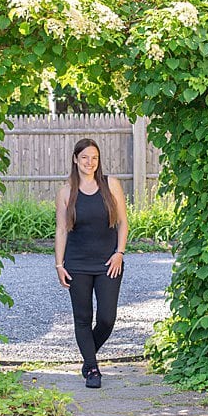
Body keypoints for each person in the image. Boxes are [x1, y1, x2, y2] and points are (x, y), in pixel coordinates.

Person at [54, 138, 128, 389]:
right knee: (83, 318)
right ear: (75, 159)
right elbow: (62, 230)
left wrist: (120, 252)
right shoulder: (66, 191)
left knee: (107, 318)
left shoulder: (111, 185)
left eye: (94, 157)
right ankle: (93, 369)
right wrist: (59, 264)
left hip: (109, 262)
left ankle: (88, 358)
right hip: (77, 263)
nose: (89, 162)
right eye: (84, 157)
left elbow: (123, 223)